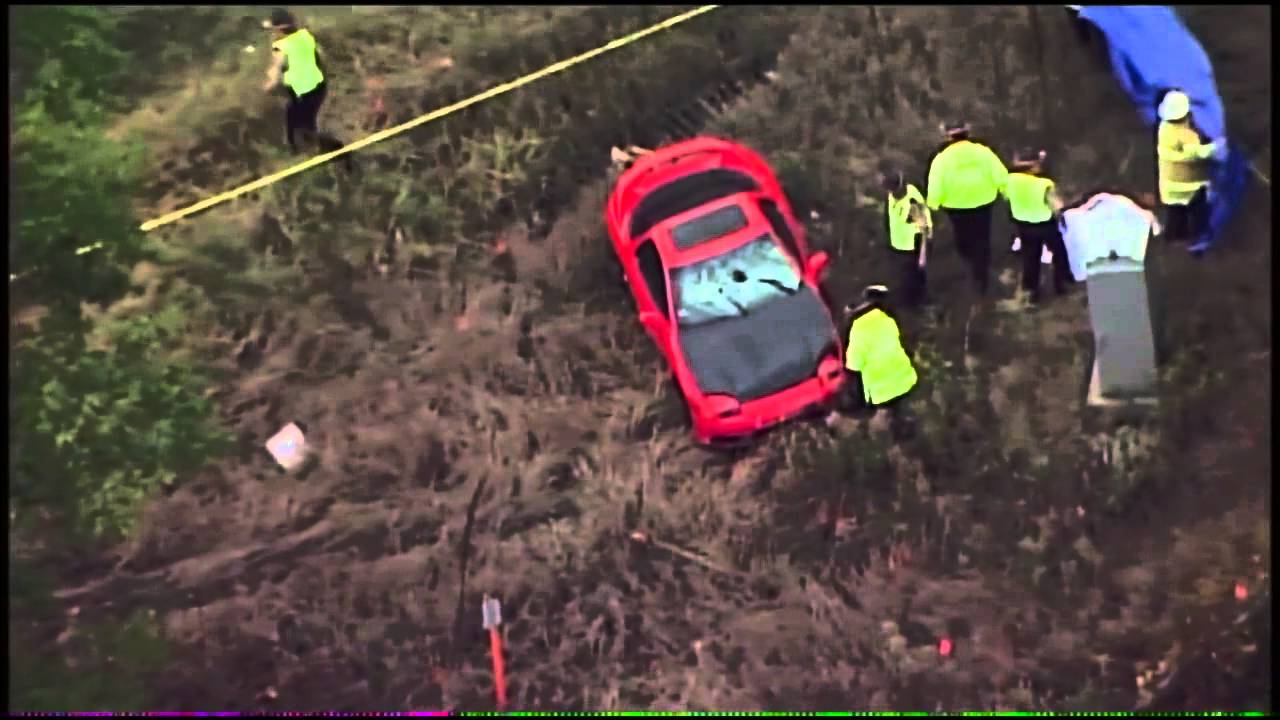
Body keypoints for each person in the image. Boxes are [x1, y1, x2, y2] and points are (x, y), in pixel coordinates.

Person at [925, 120, 1009, 297]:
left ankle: (971, 260)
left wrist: (932, 205)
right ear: (968, 132)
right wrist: (1007, 193)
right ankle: (982, 275)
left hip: (956, 207)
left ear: (948, 135)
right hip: (983, 202)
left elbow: (935, 185)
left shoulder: (941, 159)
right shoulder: (983, 152)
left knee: (962, 238)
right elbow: (1000, 175)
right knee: (982, 238)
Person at [262, 9, 352, 170]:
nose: (272, 33)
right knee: (293, 119)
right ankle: (300, 152)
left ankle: (336, 152)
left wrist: (269, 85)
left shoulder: (280, 46)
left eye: (273, 29)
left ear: (279, 29)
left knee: (304, 127)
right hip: (318, 87)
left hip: (303, 91)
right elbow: (320, 57)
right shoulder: (306, 36)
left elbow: (275, 69)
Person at [827, 285, 918, 437]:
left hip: (893, 388)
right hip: (899, 383)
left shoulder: (859, 329)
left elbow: (854, 364)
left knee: (857, 386)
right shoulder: (886, 319)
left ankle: (892, 423)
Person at [1007, 148, 1073, 303]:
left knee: (1030, 257)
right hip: (1044, 224)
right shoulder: (1044, 184)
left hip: (1022, 224)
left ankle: (1031, 290)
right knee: (1059, 252)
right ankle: (1061, 283)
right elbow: (1057, 205)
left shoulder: (1009, 180)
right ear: (1033, 166)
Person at [1156, 90, 1219, 243]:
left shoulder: (1164, 128)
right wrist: (1216, 147)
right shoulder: (1186, 134)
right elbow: (1196, 153)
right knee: (1199, 211)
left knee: (1176, 213)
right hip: (1189, 185)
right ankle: (1200, 235)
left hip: (1169, 184)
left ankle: (1173, 236)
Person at [881, 169, 932, 308]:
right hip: (898, 243)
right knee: (904, 276)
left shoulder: (912, 202)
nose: (890, 193)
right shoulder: (893, 195)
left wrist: (922, 254)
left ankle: (917, 303)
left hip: (911, 246)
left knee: (913, 278)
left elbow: (924, 228)